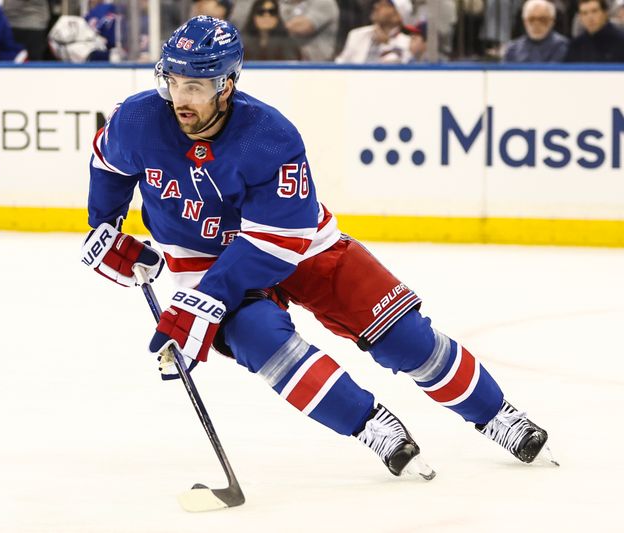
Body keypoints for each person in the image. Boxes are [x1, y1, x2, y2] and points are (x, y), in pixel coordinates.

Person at [81, 15, 556, 478]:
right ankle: (373, 426)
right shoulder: (140, 118)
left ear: (227, 84)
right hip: (201, 260)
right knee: (262, 341)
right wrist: (104, 228)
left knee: (404, 336)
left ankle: (496, 415)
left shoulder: (269, 136)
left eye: (196, 87)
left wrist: (206, 300)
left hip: (298, 244)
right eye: (174, 82)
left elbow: (277, 241)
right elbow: (107, 162)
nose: (180, 100)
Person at [335, 0, 411, 63]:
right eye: (378, 3)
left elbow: (400, 72)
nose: (376, 6)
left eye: (384, 5)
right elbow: (340, 64)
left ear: (397, 16)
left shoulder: (407, 44)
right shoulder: (357, 34)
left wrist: (386, 44)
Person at [503, 0, 568, 62]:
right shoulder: (512, 50)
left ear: (552, 21)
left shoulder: (563, 46)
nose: (536, 24)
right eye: (531, 19)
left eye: (542, 19)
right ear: (524, 22)